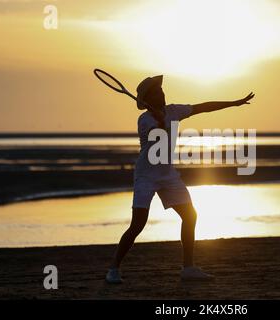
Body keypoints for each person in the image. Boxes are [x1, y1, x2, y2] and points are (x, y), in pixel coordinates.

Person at [106, 75, 254, 283]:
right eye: (158, 93)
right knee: (138, 225)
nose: (163, 95)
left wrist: (233, 103)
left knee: (190, 216)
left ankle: (188, 268)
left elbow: (203, 107)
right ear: (149, 98)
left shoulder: (174, 110)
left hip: (168, 175)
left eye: (163, 91)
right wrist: (159, 119)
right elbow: (158, 137)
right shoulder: (144, 120)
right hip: (146, 175)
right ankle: (113, 269)